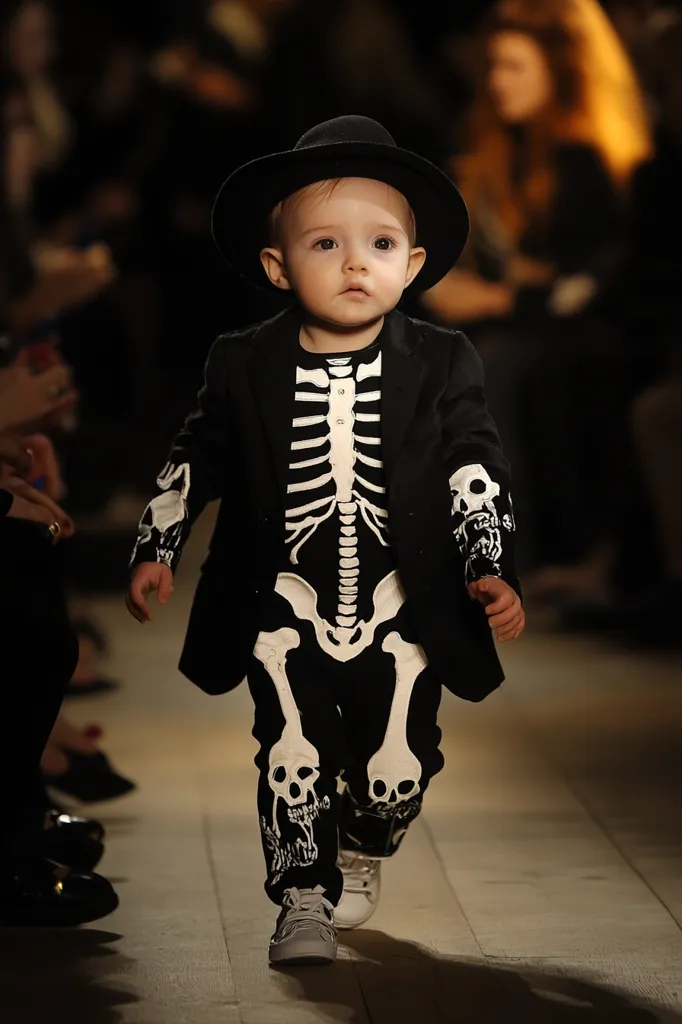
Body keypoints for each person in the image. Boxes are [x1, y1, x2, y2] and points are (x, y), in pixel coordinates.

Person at [126, 115, 524, 966]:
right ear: (277, 266)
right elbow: (195, 457)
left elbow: (473, 465)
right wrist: (155, 549)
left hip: (405, 611)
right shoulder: (242, 362)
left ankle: (368, 838)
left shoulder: (445, 360)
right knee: (289, 748)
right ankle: (299, 899)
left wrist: (489, 565)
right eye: (324, 243)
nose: (355, 263)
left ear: (412, 266)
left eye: (380, 242)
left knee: (402, 768)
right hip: (282, 607)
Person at [421, 0, 652, 587]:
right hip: (530, 323)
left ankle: (507, 554)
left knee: (492, 365)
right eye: (494, 67)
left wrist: (498, 299)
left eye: (516, 67)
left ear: (560, 71)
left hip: (591, 330)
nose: (499, 82)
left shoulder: (587, 160)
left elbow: (590, 287)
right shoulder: (499, 151)